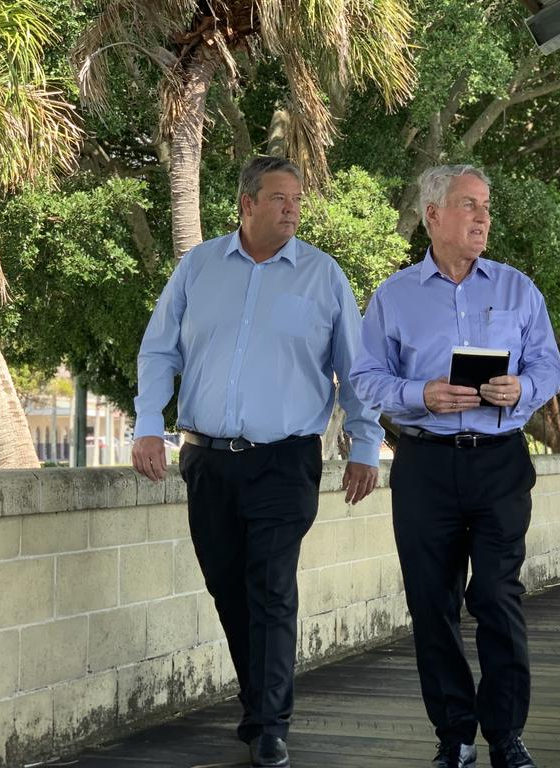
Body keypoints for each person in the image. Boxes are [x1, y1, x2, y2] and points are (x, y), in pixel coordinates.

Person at [132, 156, 384, 768]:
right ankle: (258, 706)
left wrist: (365, 442)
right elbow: (159, 350)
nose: (291, 208)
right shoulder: (197, 268)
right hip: (208, 460)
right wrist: (147, 426)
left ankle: (271, 723)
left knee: (271, 587)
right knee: (228, 587)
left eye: (295, 198)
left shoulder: (324, 277)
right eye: (277, 198)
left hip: (285, 459)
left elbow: (355, 372)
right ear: (246, 204)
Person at [350, 165, 560, 768]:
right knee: (431, 601)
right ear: (433, 215)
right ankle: (455, 735)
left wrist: (519, 388)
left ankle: (506, 733)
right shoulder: (394, 296)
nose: (483, 218)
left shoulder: (519, 289)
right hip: (424, 465)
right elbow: (365, 377)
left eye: (486, 207)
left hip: (499, 463)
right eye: (470, 205)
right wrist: (423, 394)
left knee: (497, 593)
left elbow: (549, 367)